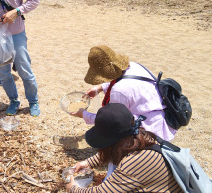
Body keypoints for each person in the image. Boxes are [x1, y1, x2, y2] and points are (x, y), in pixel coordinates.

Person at [71, 45, 177, 179]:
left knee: (131, 163)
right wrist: (100, 87)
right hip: (159, 116)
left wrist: (84, 114)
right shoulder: (133, 66)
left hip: (148, 129)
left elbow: (113, 122)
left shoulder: (119, 91)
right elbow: (121, 80)